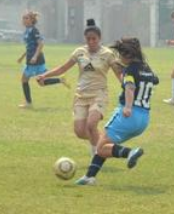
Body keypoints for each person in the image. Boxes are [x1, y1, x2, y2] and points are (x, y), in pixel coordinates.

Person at [75, 37, 159, 185]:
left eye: (121, 55)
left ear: (127, 55)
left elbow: (130, 87)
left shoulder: (129, 71)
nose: (119, 58)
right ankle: (89, 177)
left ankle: (129, 153)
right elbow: (155, 80)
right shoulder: (147, 68)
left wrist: (127, 106)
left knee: (101, 147)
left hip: (128, 115)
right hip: (143, 118)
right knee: (105, 144)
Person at [37, 19, 122, 156]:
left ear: (99, 38)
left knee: (91, 124)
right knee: (80, 132)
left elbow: (119, 74)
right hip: (81, 96)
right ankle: (103, 142)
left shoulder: (107, 54)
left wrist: (128, 87)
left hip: (98, 95)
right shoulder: (79, 52)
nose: (91, 42)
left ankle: (96, 155)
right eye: (88, 39)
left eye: (94, 39)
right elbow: (63, 68)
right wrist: (44, 75)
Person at [17, 11, 69, 109]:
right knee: (41, 82)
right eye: (23, 18)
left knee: (27, 80)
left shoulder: (34, 30)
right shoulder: (27, 31)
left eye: (26, 18)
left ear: (32, 20)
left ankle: (28, 103)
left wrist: (35, 57)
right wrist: (22, 57)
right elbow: (29, 47)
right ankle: (60, 79)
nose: (24, 20)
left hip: (36, 60)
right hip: (30, 59)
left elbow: (41, 44)